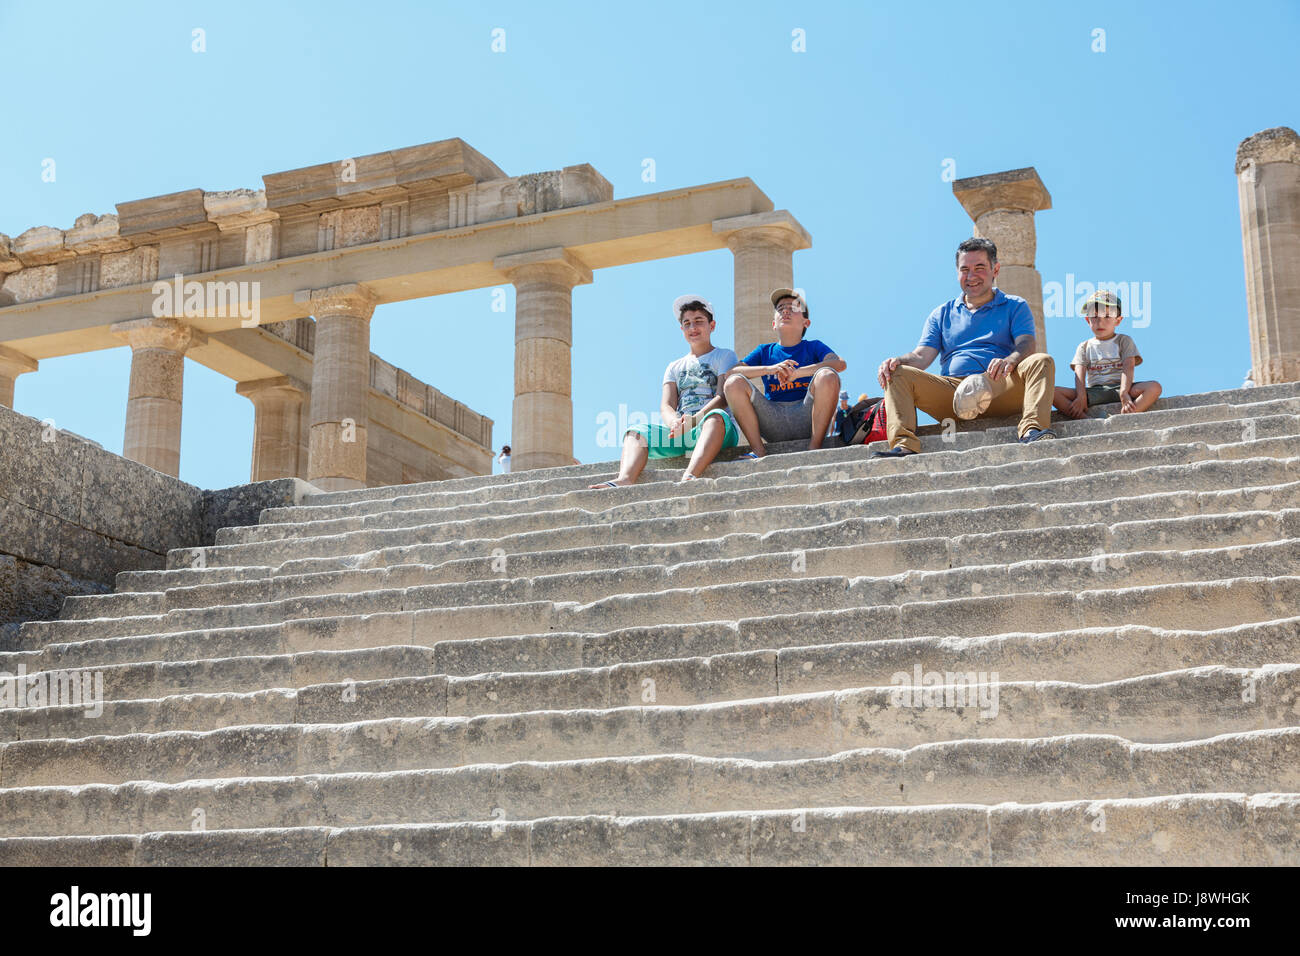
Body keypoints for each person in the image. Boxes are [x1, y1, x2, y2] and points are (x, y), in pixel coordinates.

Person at [874, 238, 1056, 457]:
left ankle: (1031, 431)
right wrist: (898, 361)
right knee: (897, 373)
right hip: (953, 395)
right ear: (957, 273)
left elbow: (1026, 343)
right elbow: (921, 356)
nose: (971, 276)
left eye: (979, 268)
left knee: (1041, 360)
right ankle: (904, 445)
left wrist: (1009, 361)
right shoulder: (941, 314)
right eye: (965, 269)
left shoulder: (1015, 305)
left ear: (995, 269)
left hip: (998, 385)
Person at [588, 294, 739, 488]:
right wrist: (674, 423)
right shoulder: (674, 366)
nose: (693, 328)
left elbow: (722, 396)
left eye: (699, 321)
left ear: (712, 325)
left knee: (715, 417)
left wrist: (696, 419)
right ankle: (625, 478)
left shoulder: (724, 355)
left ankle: (690, 476)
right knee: (635, 432)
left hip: (717, 428)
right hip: (682, 431)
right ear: (682, 329)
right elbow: (667, 404)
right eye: (687, 323)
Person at [722, 289, 846, 458]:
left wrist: (798, 373)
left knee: (827, 375)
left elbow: (839, 363)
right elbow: (731, 372)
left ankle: (815, 448)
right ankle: (758, 450)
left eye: (793, 308)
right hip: (773, 420)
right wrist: (770, 369)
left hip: (807, 416)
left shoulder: (813, 346)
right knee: (733, 383)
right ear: (773, 323)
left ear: (806, 323)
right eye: (780, 308)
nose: (785, 311)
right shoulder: (764, 351)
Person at [1054, 290, 1161, 417]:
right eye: (1095, 317)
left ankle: (1127, 416)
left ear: (1118, 320)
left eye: (1107, 317)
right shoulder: (1084, 346)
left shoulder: (1124, 340)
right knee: (1050, 392)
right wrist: (1081, 396)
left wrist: (1124, 392)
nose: (1100, 322)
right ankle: (1085, 420)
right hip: (1094, 391)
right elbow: (1079, 373)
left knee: (1154, 387)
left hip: (1122, 388)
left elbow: (1129, 366)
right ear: (1088, 320)